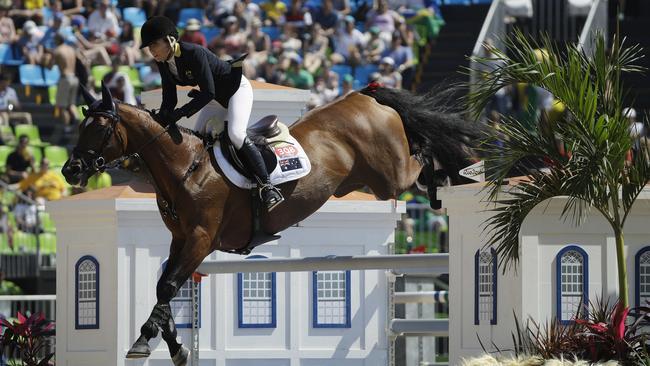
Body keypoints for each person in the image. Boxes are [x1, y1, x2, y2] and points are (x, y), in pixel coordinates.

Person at [139, 16, 284, 211]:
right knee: (196, 141)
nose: (151, 51)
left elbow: (208, 92)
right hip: (216, 99)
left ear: (170, 40)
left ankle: (267, 186)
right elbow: (169, 98)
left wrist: (181, 113)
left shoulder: (194, 52)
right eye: (149, 47)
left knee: (236, 134)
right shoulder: (164, 62)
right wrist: (162, 118)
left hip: (235, 90)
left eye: (154, 44)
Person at [48, 33, 79, 132]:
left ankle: (66, 129)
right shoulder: (71, 49)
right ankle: (78, 124)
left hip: (65, 79)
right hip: (74, 78)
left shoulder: (57, 50)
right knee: (71, 105)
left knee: (62, 107)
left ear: (57, 40)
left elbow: (50, 66)